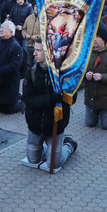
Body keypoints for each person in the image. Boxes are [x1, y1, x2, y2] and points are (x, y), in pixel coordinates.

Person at [21, 38, 77, 172]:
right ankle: (49, 147)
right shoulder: (32, 71)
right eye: (35, 49)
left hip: (55, 126)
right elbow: (28, 100)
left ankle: (68, 145)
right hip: (35, 125)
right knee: (32, 159)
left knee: (54, 163)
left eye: (38, 50)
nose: (34, 53)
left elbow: (72, 99)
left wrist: (65, 93)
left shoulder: (63, 73)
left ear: (49, 53)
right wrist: (51, 99)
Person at [0, 20, 24, 114]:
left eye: (3, 28)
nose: (0, 30)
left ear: (11, 32)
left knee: (8, 110)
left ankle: (24, 102)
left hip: (9, 82)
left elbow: (13, 67)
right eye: (0, 28)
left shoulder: (16, 47)